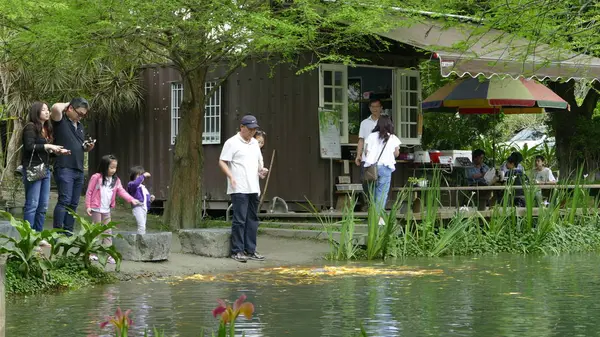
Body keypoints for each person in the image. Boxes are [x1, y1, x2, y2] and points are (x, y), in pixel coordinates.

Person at [219, 115, 268, 263]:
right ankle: (237, 251)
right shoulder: (232, 142)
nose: (252, 132)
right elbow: (222, 161)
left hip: (253, 186)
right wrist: (230, 176)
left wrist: (262, 170)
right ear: (242, 127)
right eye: (250, 129)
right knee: (240, 220)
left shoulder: (254, 143)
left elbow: (258, 162)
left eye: (254, 129)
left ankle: (250, 250)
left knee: (252, 219)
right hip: (239, 186)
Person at [21, 102, 70, 245]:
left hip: (46, 169)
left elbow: (44, 151)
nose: (47, 112)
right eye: (44, 110)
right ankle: (28, 237)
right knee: (32, 204)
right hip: (34, 168)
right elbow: (29, 147)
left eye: (48, 110)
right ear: (36, 112)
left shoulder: (47, 128)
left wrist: (57, 151)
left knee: (43, 206)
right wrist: (48, 146)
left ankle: (38, 236)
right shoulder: (30, 127)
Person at [51, 98, 95, 235]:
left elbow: (79, 147)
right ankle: (58, 231)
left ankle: (68, 232)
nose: (81, 117)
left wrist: (88, 148)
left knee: (74, 203)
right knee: (64, 200)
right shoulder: (60, 121)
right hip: (64, 167)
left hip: (78, 168)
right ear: (70, 108)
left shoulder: (80, 126)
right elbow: (55, 108)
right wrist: (68, 103)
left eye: (83, 115)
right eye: (79, 113)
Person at [85, 155, 139, 263]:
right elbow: (89, 192)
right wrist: (88, 206)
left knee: (108, 232)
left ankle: (108, 254)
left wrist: (131, 199)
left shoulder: (116, 180)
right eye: (111, 167)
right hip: (96, 208)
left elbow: (121, 191)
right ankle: (93, 253)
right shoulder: (96, 177)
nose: (113, 170)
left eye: (115, 167)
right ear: (104, 167)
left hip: (106, 210)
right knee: (97, 231)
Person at [363, 116, 401, 225]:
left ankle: (373, 216)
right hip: (385, 167)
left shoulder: (371, 136)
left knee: (374, 192)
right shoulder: (393, 138)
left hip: (372, 168)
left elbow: (366, 152)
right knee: (382, 193)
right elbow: (396, 153)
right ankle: (378, 218)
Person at [354, 99, 383, 206]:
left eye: (377, 106)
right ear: (370, 108)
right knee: (366, 181)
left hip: (381, 158)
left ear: (381, 108)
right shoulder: (364, 123)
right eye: (372, 107)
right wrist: (358, 154)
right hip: (367, 158)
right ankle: (370, 203)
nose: (375, 109)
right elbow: (361, 140)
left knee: (379, 182)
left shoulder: (385, 121)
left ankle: (378, 205)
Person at [127, 166, 156, 235]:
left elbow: (145, 200)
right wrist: (144, 175)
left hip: (144, 209)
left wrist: (151, 199)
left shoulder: (143, 187)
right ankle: (140, 242)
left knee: (143, 226)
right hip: (138, 208)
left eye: (141, 175)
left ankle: (141, 240)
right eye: (139, 175)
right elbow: (135, 183)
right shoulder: (131, 184)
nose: (141, 177)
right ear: (133, 175)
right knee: (141, 227)